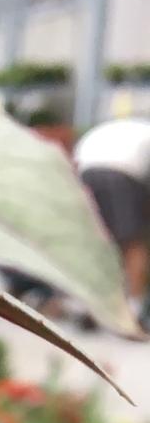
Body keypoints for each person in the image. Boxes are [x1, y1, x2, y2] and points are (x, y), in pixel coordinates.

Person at [74, 117, 150, 324]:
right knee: (134, 242)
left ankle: (86, 306)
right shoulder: (143, 135)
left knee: (93, 242)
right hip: (121, 171)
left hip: (86, 168)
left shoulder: (132, 129)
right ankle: (132, 311)